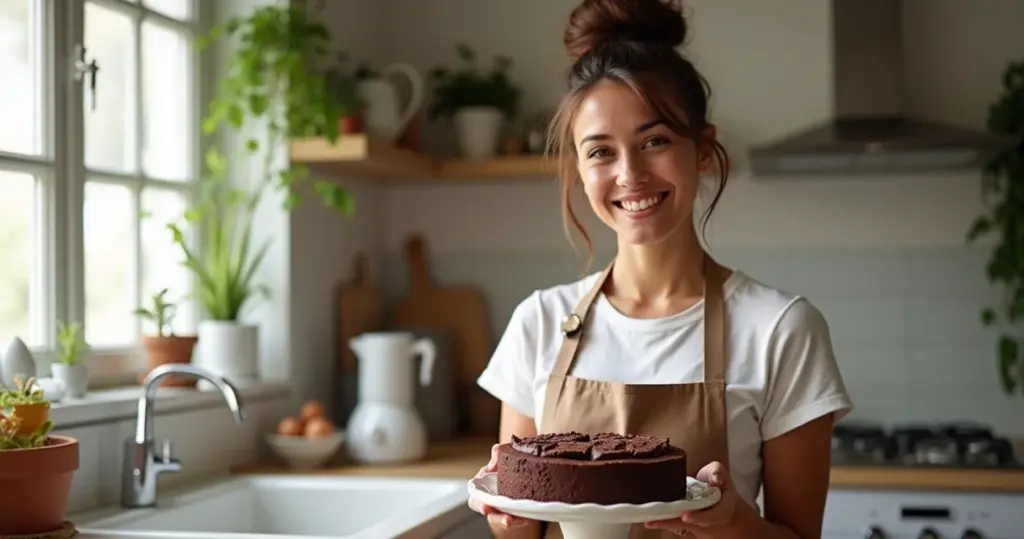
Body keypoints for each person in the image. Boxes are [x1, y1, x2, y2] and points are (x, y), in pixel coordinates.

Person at [468, 0, 853, 537]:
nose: (630, 175)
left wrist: (732, 520)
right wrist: (506, 515)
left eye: (655, 141)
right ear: (579, 171)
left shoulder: (781, 329)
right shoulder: (539, 321)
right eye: (601, 152)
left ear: (702, 149)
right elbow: (524, 534)